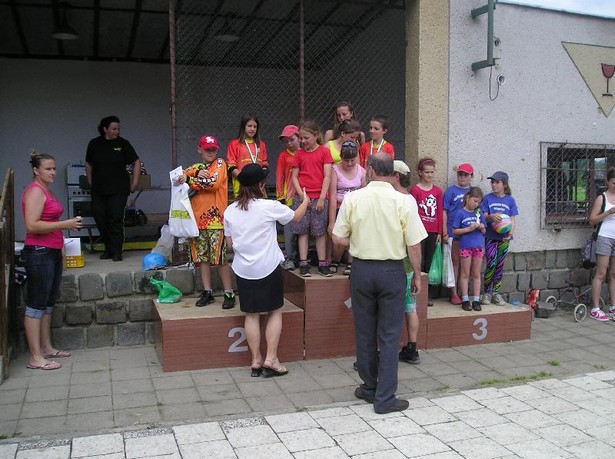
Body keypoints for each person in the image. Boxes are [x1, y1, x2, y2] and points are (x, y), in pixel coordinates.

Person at [332, 153, 426, 414]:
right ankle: (385, 398)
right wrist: (416, 275)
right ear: (391, 172)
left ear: (370, 170)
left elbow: (338, 239)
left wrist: (360, 244)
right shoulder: (404, 201)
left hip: (361, 269)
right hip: (393, 271)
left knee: (364, 331)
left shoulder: (352, 198)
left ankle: (369, 387)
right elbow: (414, 244)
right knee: (389, 334)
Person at [224, 163, 309, 377]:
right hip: (268, 267)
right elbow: (295, 217)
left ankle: (255, 360)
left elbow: (229, 243)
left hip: (243, 269)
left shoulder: (230, 210)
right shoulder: (268, 206)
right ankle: (271, 358)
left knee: (251, 314)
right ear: (261, 185)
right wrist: (306, 201)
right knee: (274, 311)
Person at [22, 152, 82, 370]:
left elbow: (49, 222)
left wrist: (61, 249)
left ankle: (46, 347)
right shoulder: (35, 192)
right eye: (48, 168)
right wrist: (65, 224)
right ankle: (35, 356)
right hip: (39, 251)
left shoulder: (46, 190)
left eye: (54, 168)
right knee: (36, 304)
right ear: (36, 170)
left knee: (47, 303)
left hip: (52, 250)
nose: (53, 172)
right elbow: (32, 225)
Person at [175, 135, 236, 309]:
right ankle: (207, 291)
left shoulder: (220, 164)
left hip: (216, 221)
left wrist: (191, 180)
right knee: (202, 259)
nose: (211, 152)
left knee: (220, 259)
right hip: (197, 222)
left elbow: (213, 183)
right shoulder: (196, 167)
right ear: (199, 150)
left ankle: (228, 292)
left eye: (213, 149)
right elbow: (178, 177)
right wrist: (193, 174)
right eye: (207, 149)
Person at [86, 115, 141, 262]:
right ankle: (108, 248)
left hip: (118, 189)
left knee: (115, 219)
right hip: (99, 189)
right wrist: (90, 181)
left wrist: (135, 182)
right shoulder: (94, 144)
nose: (117, 131)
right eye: (113, 128)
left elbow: (136, 161)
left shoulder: (123, 144)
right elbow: (88, 164)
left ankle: (117, 251)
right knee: (100, 218)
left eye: (118, 129)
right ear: (105, 129)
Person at [291, 121, 334, 277]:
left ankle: (322, 263)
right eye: (301, 138)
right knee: (302, 231)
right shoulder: (299, 154)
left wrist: (322, 198)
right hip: (303, 197)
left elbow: (327, 175)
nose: (303, 141)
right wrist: (302, 196)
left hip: (319, 197)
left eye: (306, 138)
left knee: (319, 231)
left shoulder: (324, 152)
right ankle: (303, 262)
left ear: (316, 135)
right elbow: (294, 177)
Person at [391, 160, 422, 365]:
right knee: (410, 307)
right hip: (407, 264)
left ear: (396, 176)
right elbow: (415, 239)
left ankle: (381, 351)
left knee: (389, 309)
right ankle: (412, 348)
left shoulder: (392, 199)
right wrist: (417, 274)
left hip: (393, 260)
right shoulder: (410, 199)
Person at [327, 140, 366, 275]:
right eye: (346, 160)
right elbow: (332, 197)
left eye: (352, 160)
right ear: (341, 158)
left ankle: (351, 261)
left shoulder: (362, 171)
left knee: (354, 235)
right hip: (339, 207)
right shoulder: (335, 170)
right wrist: (332, 221)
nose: (349, 164)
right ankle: (336, 259)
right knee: (338, 237)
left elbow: (365, 193)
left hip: (356, 209)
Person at [480, 171, 518, 306]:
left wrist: (510, 234)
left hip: (504, 239)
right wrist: (491, 217)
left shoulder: (510, 200)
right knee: (491, 262)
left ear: (504, 185)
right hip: (490, 236)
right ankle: (487, 292)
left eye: (497, 182)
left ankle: (496, 292)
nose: (494, 185)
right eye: (492, 182)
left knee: (500, 265)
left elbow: (512, 219)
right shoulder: (487, 198)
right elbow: (483, 215)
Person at [410, 158, 444, 306]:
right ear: (420, 173)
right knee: (419, 261)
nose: (430, 175)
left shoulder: (437, 191)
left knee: (429, 263)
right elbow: (412, 211)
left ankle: (428, 295)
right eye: (427, 172)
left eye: (432, 172)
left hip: (432, 231)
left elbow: (439, 213)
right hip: (419, 231)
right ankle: (417, 291)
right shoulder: (415, 190)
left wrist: (439, 233)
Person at [442, 163, 473, 304]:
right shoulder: (450, 191)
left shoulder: (474, 192)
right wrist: (444, 232)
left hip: (469, 235)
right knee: (454, 263)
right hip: (453, 233)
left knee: (466, 265)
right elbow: (444, 212)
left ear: (471, 176)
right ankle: (453, 293)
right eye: (460, 174)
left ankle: (463, 292)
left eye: (465, 174)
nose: (462, 177)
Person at [452, 187, 486, 312]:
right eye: (475, 201)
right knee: (465, 273)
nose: (476, 204)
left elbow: (484, 230)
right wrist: (468, 229)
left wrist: (482, 228)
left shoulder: (479, 213)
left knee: (476, 274)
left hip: (478, 246)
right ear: (468, 198)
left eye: (478, 202)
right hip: (465, 246)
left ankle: (476, 300)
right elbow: (454, 230)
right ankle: (465, 299)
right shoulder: (460, 213)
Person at [589, 166, 615, 322]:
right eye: (613, 183)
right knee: (601, 273)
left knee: (614, 274)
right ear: (607, 182)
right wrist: (608, 212)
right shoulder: (602, 198)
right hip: (604, 237)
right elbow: (592, 220)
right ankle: (596, 308)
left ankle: (613, 306)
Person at [276, 125, 301, 270]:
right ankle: (290, 257)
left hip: (304, 196)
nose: (289, 143)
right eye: (286, 141)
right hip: (289, 196)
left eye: (292, 139)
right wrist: (280, 197)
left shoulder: (304, 153)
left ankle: (303, 257)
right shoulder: (283, 156)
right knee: (289, 229)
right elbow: (279, 176)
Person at [226, 114, 268, 197]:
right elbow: (231, 165)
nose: (252, 129)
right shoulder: (234, 144)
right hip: (241, 184)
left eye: (255, 127)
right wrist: (243, 180)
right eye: (249, 126)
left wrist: (261, 179)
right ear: (243, 126)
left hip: (258, 186)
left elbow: (264, 164)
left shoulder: (261, 144)